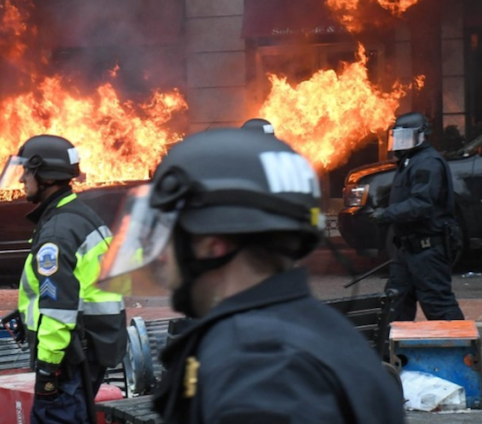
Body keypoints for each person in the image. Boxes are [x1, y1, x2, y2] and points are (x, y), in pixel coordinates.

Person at [98, 128, 405, 424]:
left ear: (213, 246)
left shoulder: (252, 369)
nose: (162, 255)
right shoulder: (332, 335)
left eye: (171, 236)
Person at [0, 134, 127, 424]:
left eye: (27, 172)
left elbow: (59, 308)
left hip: (69, 357)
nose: (22, 180)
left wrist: (47, 367)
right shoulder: (78, 216)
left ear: (45, 175)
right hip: (90, 347)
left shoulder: (57, 232)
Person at [369, 111, 464, 321]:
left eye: (406, 137)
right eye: (398, 137)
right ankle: (393, 354)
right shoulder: (409, 162)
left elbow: (422, 204)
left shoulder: (427, 163)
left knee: (437, 303)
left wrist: (386, 214)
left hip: (428, 249)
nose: (401, 143)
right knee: (395, 303)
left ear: (422, 135)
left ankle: (461, 352)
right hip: (407, 249)